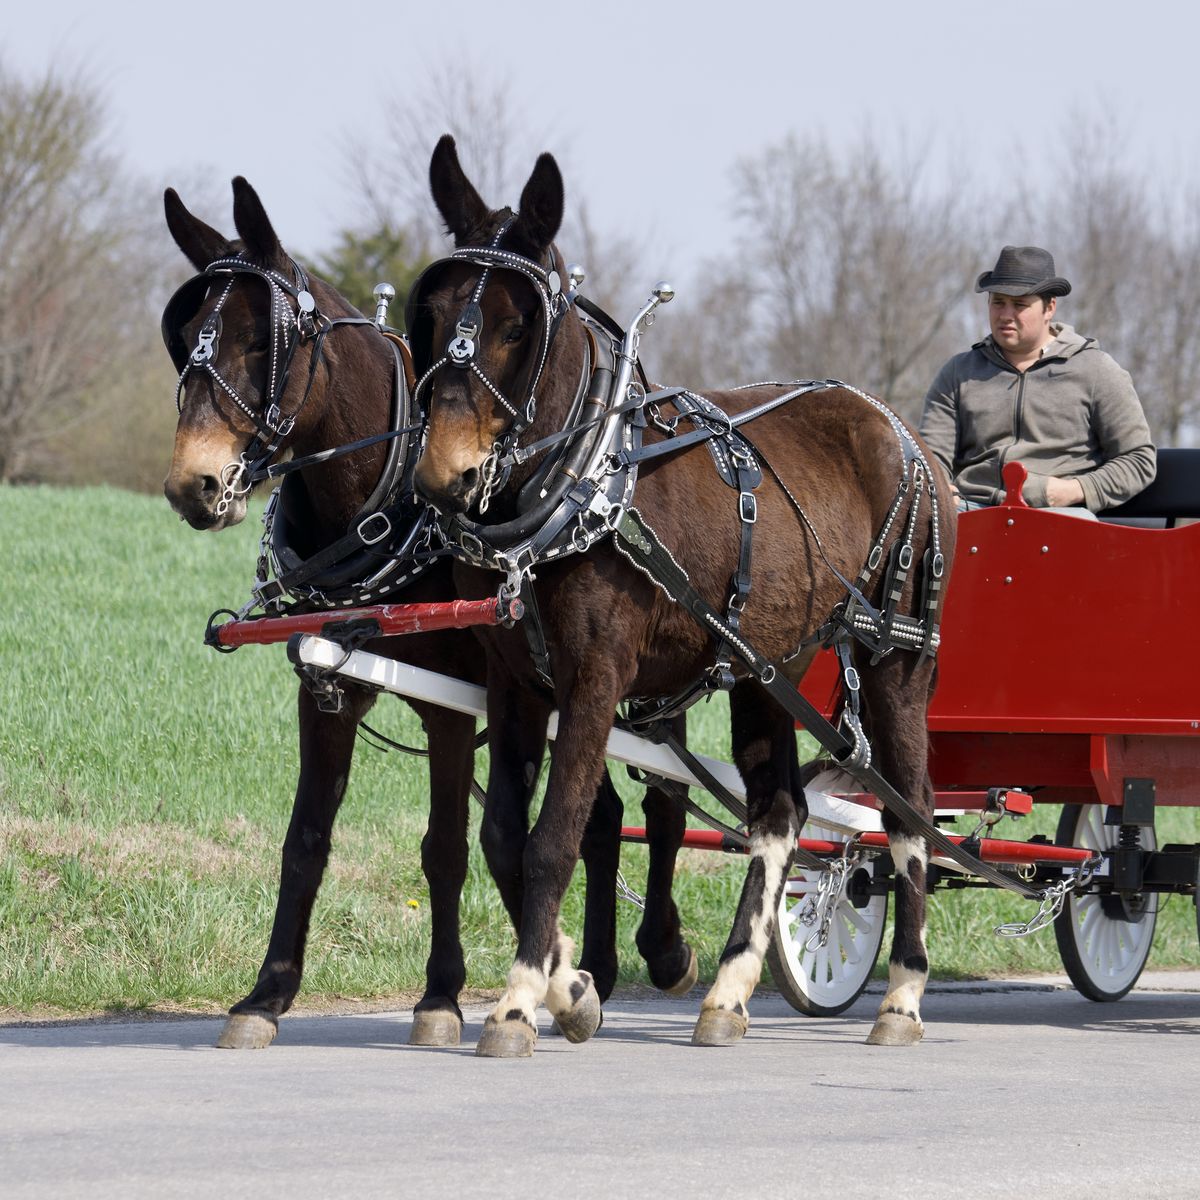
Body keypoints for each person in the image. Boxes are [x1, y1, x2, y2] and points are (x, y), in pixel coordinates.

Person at [919, 245, 1155, 513]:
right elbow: (930, 458)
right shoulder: (958, 373)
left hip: (1061, 514)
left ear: (1049, 308)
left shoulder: (1096, 370)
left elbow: (1138, 460)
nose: (1005, 315)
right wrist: (936, 486)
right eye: (998, 302)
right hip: (972, 509)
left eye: (1019, 304)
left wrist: (1075, 490)